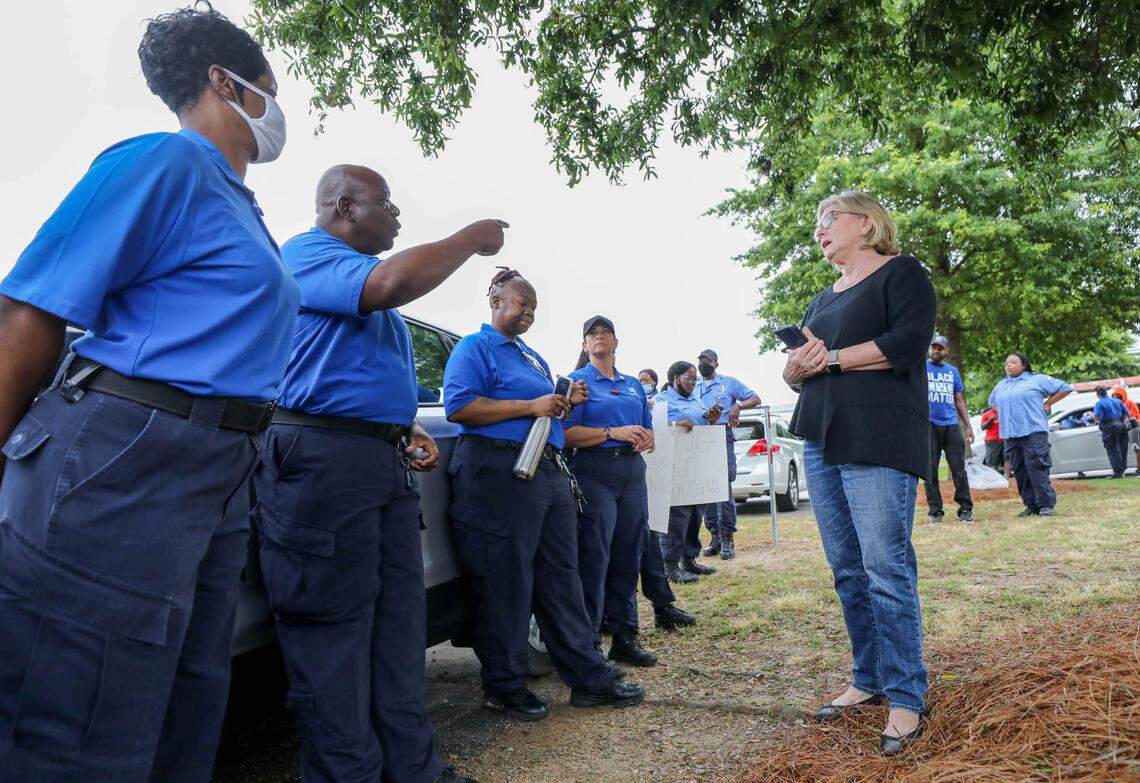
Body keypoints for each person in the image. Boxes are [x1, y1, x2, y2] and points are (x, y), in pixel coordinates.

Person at [0, 6, 298, 780]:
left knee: (185, 703)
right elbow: (29, 313)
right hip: (125, 459)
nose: (276, 103)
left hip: (215, 470)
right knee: (82, 723)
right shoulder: (166, 162)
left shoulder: (242, 207)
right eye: (267, 84)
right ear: (222, 80)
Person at [252, 166, 507, 783]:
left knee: (398, 629)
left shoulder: (352, 280)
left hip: (374, 461)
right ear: (343, 206)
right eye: (385, 204)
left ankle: (416, 770)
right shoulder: (309, 253)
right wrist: (470, 238)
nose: (396, 216)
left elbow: (345, 373)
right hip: (321, 465)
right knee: (333, 640)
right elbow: (391, 284)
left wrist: (400, 425)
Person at [443, 269, 644, 721]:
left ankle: (588, 677)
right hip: (498, 470)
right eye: (521, 303)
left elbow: (544, 408)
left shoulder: (530, 356)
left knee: (562, 575)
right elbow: (459, 406)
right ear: (495, 301)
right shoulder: (475, 348)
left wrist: (563, 399)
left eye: (533, 306)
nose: (528, 312)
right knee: (508, 580)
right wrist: (532, 406)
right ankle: (505, 685)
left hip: (547, 469)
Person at [783, 191, 936, 756]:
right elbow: (799, 369)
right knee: (848, 569)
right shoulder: (823, 297)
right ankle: (868, 679)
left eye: (830, 220)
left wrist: (837, 358)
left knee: (884, 567)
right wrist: (796, 366)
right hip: (821, 437)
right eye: (817, 224)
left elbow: (908, 343)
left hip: (877, 434)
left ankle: (905, 694)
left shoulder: (903, 274)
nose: (820, 230)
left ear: (867, 224)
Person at [564, 316, 658, 667]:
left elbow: (646, 430)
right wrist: (611, 432)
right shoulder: (577, 383)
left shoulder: (633, 384)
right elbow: (565, 434)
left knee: (629, 552)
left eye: (605, 333)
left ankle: (624, 635)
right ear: (584, 345)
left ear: (617, 342)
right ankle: (589, 642)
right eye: (592, 334)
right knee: (595, 555)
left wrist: (647, 438)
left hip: (631, 472)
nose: (599, 337)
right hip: (594, 471)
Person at [654, 361, 723, 582]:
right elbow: (654, 425)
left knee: (696, 512)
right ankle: (670, 564)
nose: (693, 383)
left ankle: (690, 559)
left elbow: (702, 426)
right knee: (677, 515)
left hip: (698, 464)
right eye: (689, 378)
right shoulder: (661, 400)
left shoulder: (696, 400)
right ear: (675, 379)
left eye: (695, 379)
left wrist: (711, 420)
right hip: (675, 465)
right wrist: (675, 424)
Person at [695, 349, 760, 559]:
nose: (703, 363)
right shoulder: (693, 385)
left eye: (707, 360)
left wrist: (737, 406)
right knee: (706, 488)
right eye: (701, 360)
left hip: (722, 435)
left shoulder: (729, 383)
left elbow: (755, 398)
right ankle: (714, 536)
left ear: (716, 363)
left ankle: (727, 538)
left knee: (723, 486)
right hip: (699, 438)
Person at [988, 353, 1072, 516]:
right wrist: (1005, 414)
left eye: (1013, 362)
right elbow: (992, 402)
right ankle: (1031, 505)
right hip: (1011, 435)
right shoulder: (1001, 385)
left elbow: (1065, 387)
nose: (1009, 366)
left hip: (1033, 431)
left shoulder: (1037, 379)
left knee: (1037, 467)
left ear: (1024, 365)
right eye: (1006, 363)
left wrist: (1047, 403)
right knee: (1019, 470)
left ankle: (1046, 504)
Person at [924, 335, 975, 523]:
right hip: (929, 425)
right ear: (929, 349)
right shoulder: (921, 368)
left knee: (959, 469)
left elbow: (959, 399)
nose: (937, 351)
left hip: (951, 425)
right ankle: (935, 512)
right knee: (930, 471)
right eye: (934, 348)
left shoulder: (952, 371)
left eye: (941, 348)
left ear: (946, 351)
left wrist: (968, 426)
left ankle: (966, 509)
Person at [1090, 386, 1130, 478]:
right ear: (1106, 392)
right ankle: (1122, 469)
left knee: (1113, 449)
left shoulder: (1099, 404)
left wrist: (1090, 417)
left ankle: (1117, 472)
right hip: (1121, 425)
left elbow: (1097, 417)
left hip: (1109, 427)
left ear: (1098, 394)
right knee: (1123, 448)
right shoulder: (1117, 401)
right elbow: (1127, 412)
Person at [1110, 385, 1140, 475]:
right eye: (1114, 396)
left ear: (1123, 396)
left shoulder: (1130, 403)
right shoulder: (1114, 405)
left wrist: (1123, 416)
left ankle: (1139, 470)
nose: (1116, 398)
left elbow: (1134, 415)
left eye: (1118, 396)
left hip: (1133, 428)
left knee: (1137, 448)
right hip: (1123, 429)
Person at [980, 406, 1007, 475]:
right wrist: (990, 420)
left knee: (1007, 459)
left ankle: (1007, 477)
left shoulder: (1003, 413)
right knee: (992, 462)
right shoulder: (987, 414)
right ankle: (993, 478)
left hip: (1004, 440)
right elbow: (983, 427)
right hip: (992, 441)